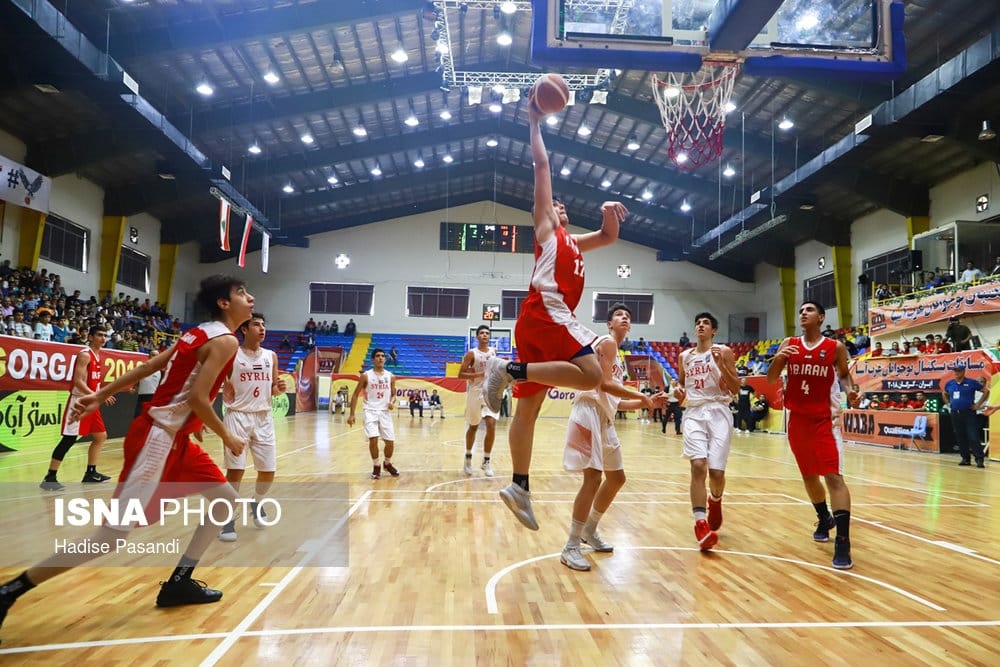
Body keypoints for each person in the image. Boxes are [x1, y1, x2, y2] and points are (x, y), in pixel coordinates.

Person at [1, 275, 254, 630]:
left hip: (176, 439)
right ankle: (9, 591)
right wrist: (227, 435)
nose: (251, 297)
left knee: (224, 500)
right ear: (224, 303)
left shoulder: (199, 332)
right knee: (110, 536)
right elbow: (197, 398)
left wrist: (99, 395)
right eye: (242, 293)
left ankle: (179, 582)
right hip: (157, 438)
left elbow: (150, 367)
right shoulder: (224, 340)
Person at [481, 101, 627, 531]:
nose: (559, 207)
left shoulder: (576, 243)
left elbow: (609, 235)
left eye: (562, 206)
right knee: (591, 375)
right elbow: (542, 165)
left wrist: (607, 211)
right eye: (555, 205)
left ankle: (519, 485)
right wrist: (534, 122)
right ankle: (508, 368)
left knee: (528, 410)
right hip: (548, 312)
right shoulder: (547, 228)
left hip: (540, 320)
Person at [559, 303, 660, 571]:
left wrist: (647, 403)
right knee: (592, 478)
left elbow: (614, 400)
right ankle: (570, 546)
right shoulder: (607, 342)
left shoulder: (617, 357)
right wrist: (641, 394)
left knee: (617, 477)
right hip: (587, 412)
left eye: (628, 315)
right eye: (619, 315)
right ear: (609, 324)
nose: (625, 317)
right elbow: (603, 385)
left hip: (604, 416)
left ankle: (589, 530)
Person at [767, 301, 859, 569]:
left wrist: (851, 391)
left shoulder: (834, 347)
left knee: (833, 476)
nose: (803, 313)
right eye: (801, 311)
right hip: (797, 421)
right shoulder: (790, 343)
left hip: (825, 421)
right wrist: (780, 356)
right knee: (809, 476)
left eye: (809, 310)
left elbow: (844, 376)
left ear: (821, 317)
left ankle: (843, 540)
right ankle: (823, 517)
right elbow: (772, 378)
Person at [675, 312, 741, 551]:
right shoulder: (685, 356)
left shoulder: (723, 352)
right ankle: (700, 524)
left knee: (716, 473)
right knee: (698, 465)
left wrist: (722, 365)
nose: (700, 326)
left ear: (714, 331)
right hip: (693, 412)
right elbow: (682, 384)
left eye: (705, 323)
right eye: (698, 323)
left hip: (719, 411)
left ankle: (716, 500)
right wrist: (678, 391)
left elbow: (736, 388)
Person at [218, 313, 286, 542]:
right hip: (237, 416)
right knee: (236, 471)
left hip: (263, 417)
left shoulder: (271, 356)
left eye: (264, 325)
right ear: (244, 329)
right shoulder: (231, 354)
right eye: (256, 324)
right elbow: (214, 383)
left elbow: (274, 388)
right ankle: (228, 519)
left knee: (268, 472)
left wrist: (279, 388)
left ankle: (256, 503)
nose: (262, 328)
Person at [40, 325, 117, 490]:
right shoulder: (85, 354)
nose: (103, 338)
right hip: (80, 402)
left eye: (105, 335)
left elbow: (93, 382)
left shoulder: (97, 356)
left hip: (92, 403)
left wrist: (101, 394)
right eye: (99, 335)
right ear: (90, 337)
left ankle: (90, 473)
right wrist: (98, 396)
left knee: (101, 436)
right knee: (69, 439)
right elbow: (78, 381)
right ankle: (49, 477)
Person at [347, 349, 399, 479]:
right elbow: (354, 395)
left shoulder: (390, 376)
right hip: (370, 411)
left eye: (382, 356)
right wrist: (352, 414)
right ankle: (376, 465)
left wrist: (392, 402)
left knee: (390, 442)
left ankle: (387, 463)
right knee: (373, 439)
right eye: (377, 356)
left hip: (385, 412)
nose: (380, 358)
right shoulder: (366, 375)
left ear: (385, 359)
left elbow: (394, 394)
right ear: (372, 359)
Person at [459, 325, 498, 476]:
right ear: (477, 337)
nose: (484, 335)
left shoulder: (494, 352)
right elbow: (460, 375)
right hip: (476, 392)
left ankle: (486, 461)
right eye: (481, 333)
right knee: (474, 426)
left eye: (487, 333)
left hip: (491, 392)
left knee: (491, 424)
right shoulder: (471, 354)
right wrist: (479, 374)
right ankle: (468, 458)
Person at [941, 365, 987, 468]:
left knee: (973, 436)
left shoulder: (971, 382)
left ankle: (979, 459)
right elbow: (944, 393)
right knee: (960, 436)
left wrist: (978, 405)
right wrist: (948, 403)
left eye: (958, 371)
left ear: (963, 371)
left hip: (968, 413)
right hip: (955, 413)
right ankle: (965, 458)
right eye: (955, 371)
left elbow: (986, 391)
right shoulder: (950, 383)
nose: (956, 373)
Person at [133, 349, 163, 418]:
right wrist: (133, 388)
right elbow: (137, 382)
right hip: (141, 400)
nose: (155, 357)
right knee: (137, 419)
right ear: (149, 356)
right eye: (153, 355)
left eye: (157, 355)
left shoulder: (161, 372)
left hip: (153, 400)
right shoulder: (141, 370)